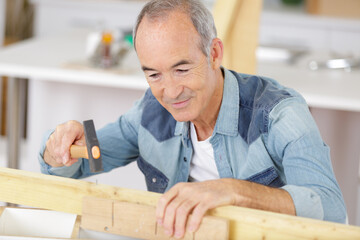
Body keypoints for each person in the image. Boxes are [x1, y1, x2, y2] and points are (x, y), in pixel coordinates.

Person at [39, 0, 347, 238]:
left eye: (182, 69)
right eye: (154, 74)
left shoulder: (279, 114)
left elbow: (332, 210)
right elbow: (85, 159)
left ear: (214, 54)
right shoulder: (149, 113)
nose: (171, 92)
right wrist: (58, 149)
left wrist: (234, 191)